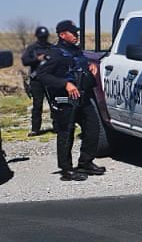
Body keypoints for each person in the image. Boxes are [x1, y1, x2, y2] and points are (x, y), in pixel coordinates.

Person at [34, 20, 107, 180]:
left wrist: (90, 67)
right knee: (66, 133)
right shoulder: (54, 53)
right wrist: (65, 83)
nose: (76, 36)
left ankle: (85, 162)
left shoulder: (76, 50)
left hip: (83, 97)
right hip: (65, 100)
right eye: (73, 33)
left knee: (93, 128)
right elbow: (41, 75)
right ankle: (66, 170)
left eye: (76, 33)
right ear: (62, 35)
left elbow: (77, 65)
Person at [20, 26, 55, 136]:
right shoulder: (32, 48)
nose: (43, 39)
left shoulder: (52, 48)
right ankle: (35, 129)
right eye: (41, 37)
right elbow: (25, 61)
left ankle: (57, 126)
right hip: (37, 80)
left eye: (44, 37)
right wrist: (37, 59)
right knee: (37, 105)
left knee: (54, 103)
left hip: (50, 79)